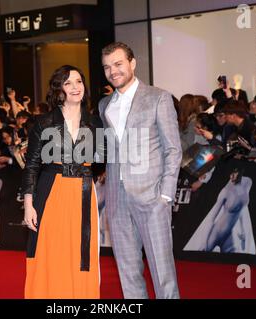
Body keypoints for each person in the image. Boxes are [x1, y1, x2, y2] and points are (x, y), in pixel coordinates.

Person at [99, 42, 182, 299]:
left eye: (118, 64)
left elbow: (173, 149)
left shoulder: (159, 97)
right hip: (117, 199)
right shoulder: (104, 105)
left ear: (132, 63)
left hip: (152, 198)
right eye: (107, 67)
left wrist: (165, 195)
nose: (113, 71)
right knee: (128, 272)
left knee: (162, 272)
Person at [22, 65, 103, 299]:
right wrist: (29, 204)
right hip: (52, 192)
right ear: (59, 89)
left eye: (79, 81)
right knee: (52, 253)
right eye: (68, 83)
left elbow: (100, 161)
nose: (75, 87)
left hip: (84, 193)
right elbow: (32, 166)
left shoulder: (95, 122)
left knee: (81, 255)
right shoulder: (44, 122)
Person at [184, 168, 256, 254]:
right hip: (217, 233)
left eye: (235, 174)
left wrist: (243, 230)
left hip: (230, 235)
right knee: (200, 256)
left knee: (232, 262)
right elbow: (211, 219)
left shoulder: (247, 182)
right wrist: (204, 242)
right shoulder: (225, 192)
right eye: (231, 174)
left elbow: (241, 208)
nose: (232, 177)